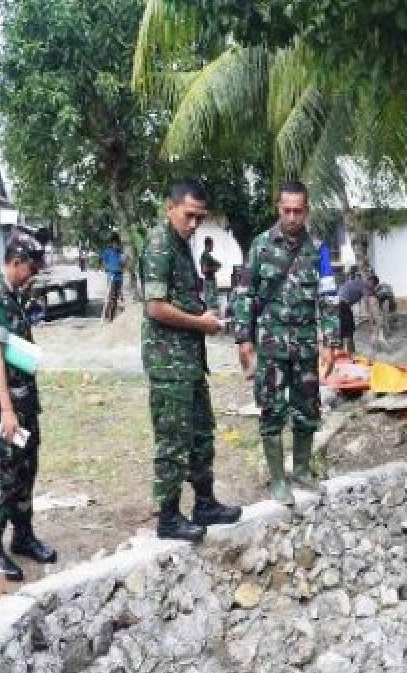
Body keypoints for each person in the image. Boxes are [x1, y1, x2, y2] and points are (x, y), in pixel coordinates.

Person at [141, 180, 242, 541]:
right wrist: (199, 322)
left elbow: (179, 301)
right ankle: (168, 517)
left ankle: (205, 503)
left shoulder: (183, 246)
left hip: (189, 362)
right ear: (170, 208)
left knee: (201, 434)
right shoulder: (159, 245)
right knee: (173, 440)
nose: (195, 224)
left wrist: (204, 313)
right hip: (169, 365)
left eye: (200, 218)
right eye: (189, 216)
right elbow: (155, 307)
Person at [236, 181, 338, 506]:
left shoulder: (319, 249)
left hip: (306, 346)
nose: (292, 216)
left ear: (307, 211)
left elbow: (329, 297)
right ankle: (278, 480)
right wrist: (244, 339)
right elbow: (245, 294)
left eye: (298, 210)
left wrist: (330, 341)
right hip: (271, 348)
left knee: (307, 409)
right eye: (286, 210)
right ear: (278, 208)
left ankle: (303, 470)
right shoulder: (260, 246)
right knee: (272, 411)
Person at [0, 233, 56, 580]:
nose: (32, 275)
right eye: (30, 269)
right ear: (16, 261)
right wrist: (6, 411)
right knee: (2, 473)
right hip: (5, 405)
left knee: (26, 468)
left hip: (25, 399)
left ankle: (23, 536)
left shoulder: (13, 293)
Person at [336, 271, 367, 354]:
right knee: (349, 329)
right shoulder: (362, 285)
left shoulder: (353, 283)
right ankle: (351, 353)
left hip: (338, 304)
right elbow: (368, 301)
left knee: (341, 329)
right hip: (343, 304)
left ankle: (341, 351)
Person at [100, 235, 126, 323]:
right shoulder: (108, 252)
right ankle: (105, 317)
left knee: (116, 298)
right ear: (112, 243)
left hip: (119, 277)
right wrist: (108, 269)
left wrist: (123, 261)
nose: (116, 245)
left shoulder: (121, 253)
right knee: (110, 297)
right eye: (114, 243)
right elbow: (104, 263)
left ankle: (112, 318)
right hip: (111, 276)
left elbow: (123, 265)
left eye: (117, 243)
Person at [199, 236, 222, 312]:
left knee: (212, 302)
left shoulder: (208, 256)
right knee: (211, 304)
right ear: (208, 245)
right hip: (209, 282)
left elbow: (218, 263)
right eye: (212, 244)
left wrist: (217, 265)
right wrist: (214, 268)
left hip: (210, 281)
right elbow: (204, 270)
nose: (213, 246)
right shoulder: (205, 256)